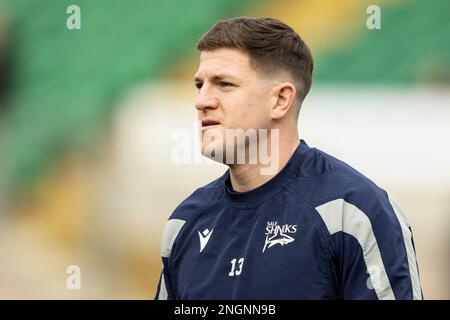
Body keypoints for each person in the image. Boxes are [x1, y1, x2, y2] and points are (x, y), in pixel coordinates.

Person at [155, 17, 422, 300]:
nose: (202, 101)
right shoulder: (184, 223)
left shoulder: (351, 212)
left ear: (281, 100)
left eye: (224, 84)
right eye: (200, 85)